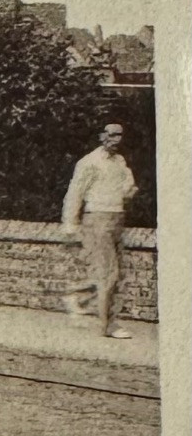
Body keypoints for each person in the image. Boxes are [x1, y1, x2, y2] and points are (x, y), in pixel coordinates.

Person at [61, 123, 138, 339]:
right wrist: (70, 222)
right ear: (101, 136)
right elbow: (75, 192)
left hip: (117, 218)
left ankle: (78, 297)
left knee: (116, 273)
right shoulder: (89, 163)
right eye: (111, 134)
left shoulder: (120, 161)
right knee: (109, 274)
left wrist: (128, 190)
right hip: (97, 219)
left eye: (120, 135)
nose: (116, 139)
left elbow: (127, 186)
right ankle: (108, 325)